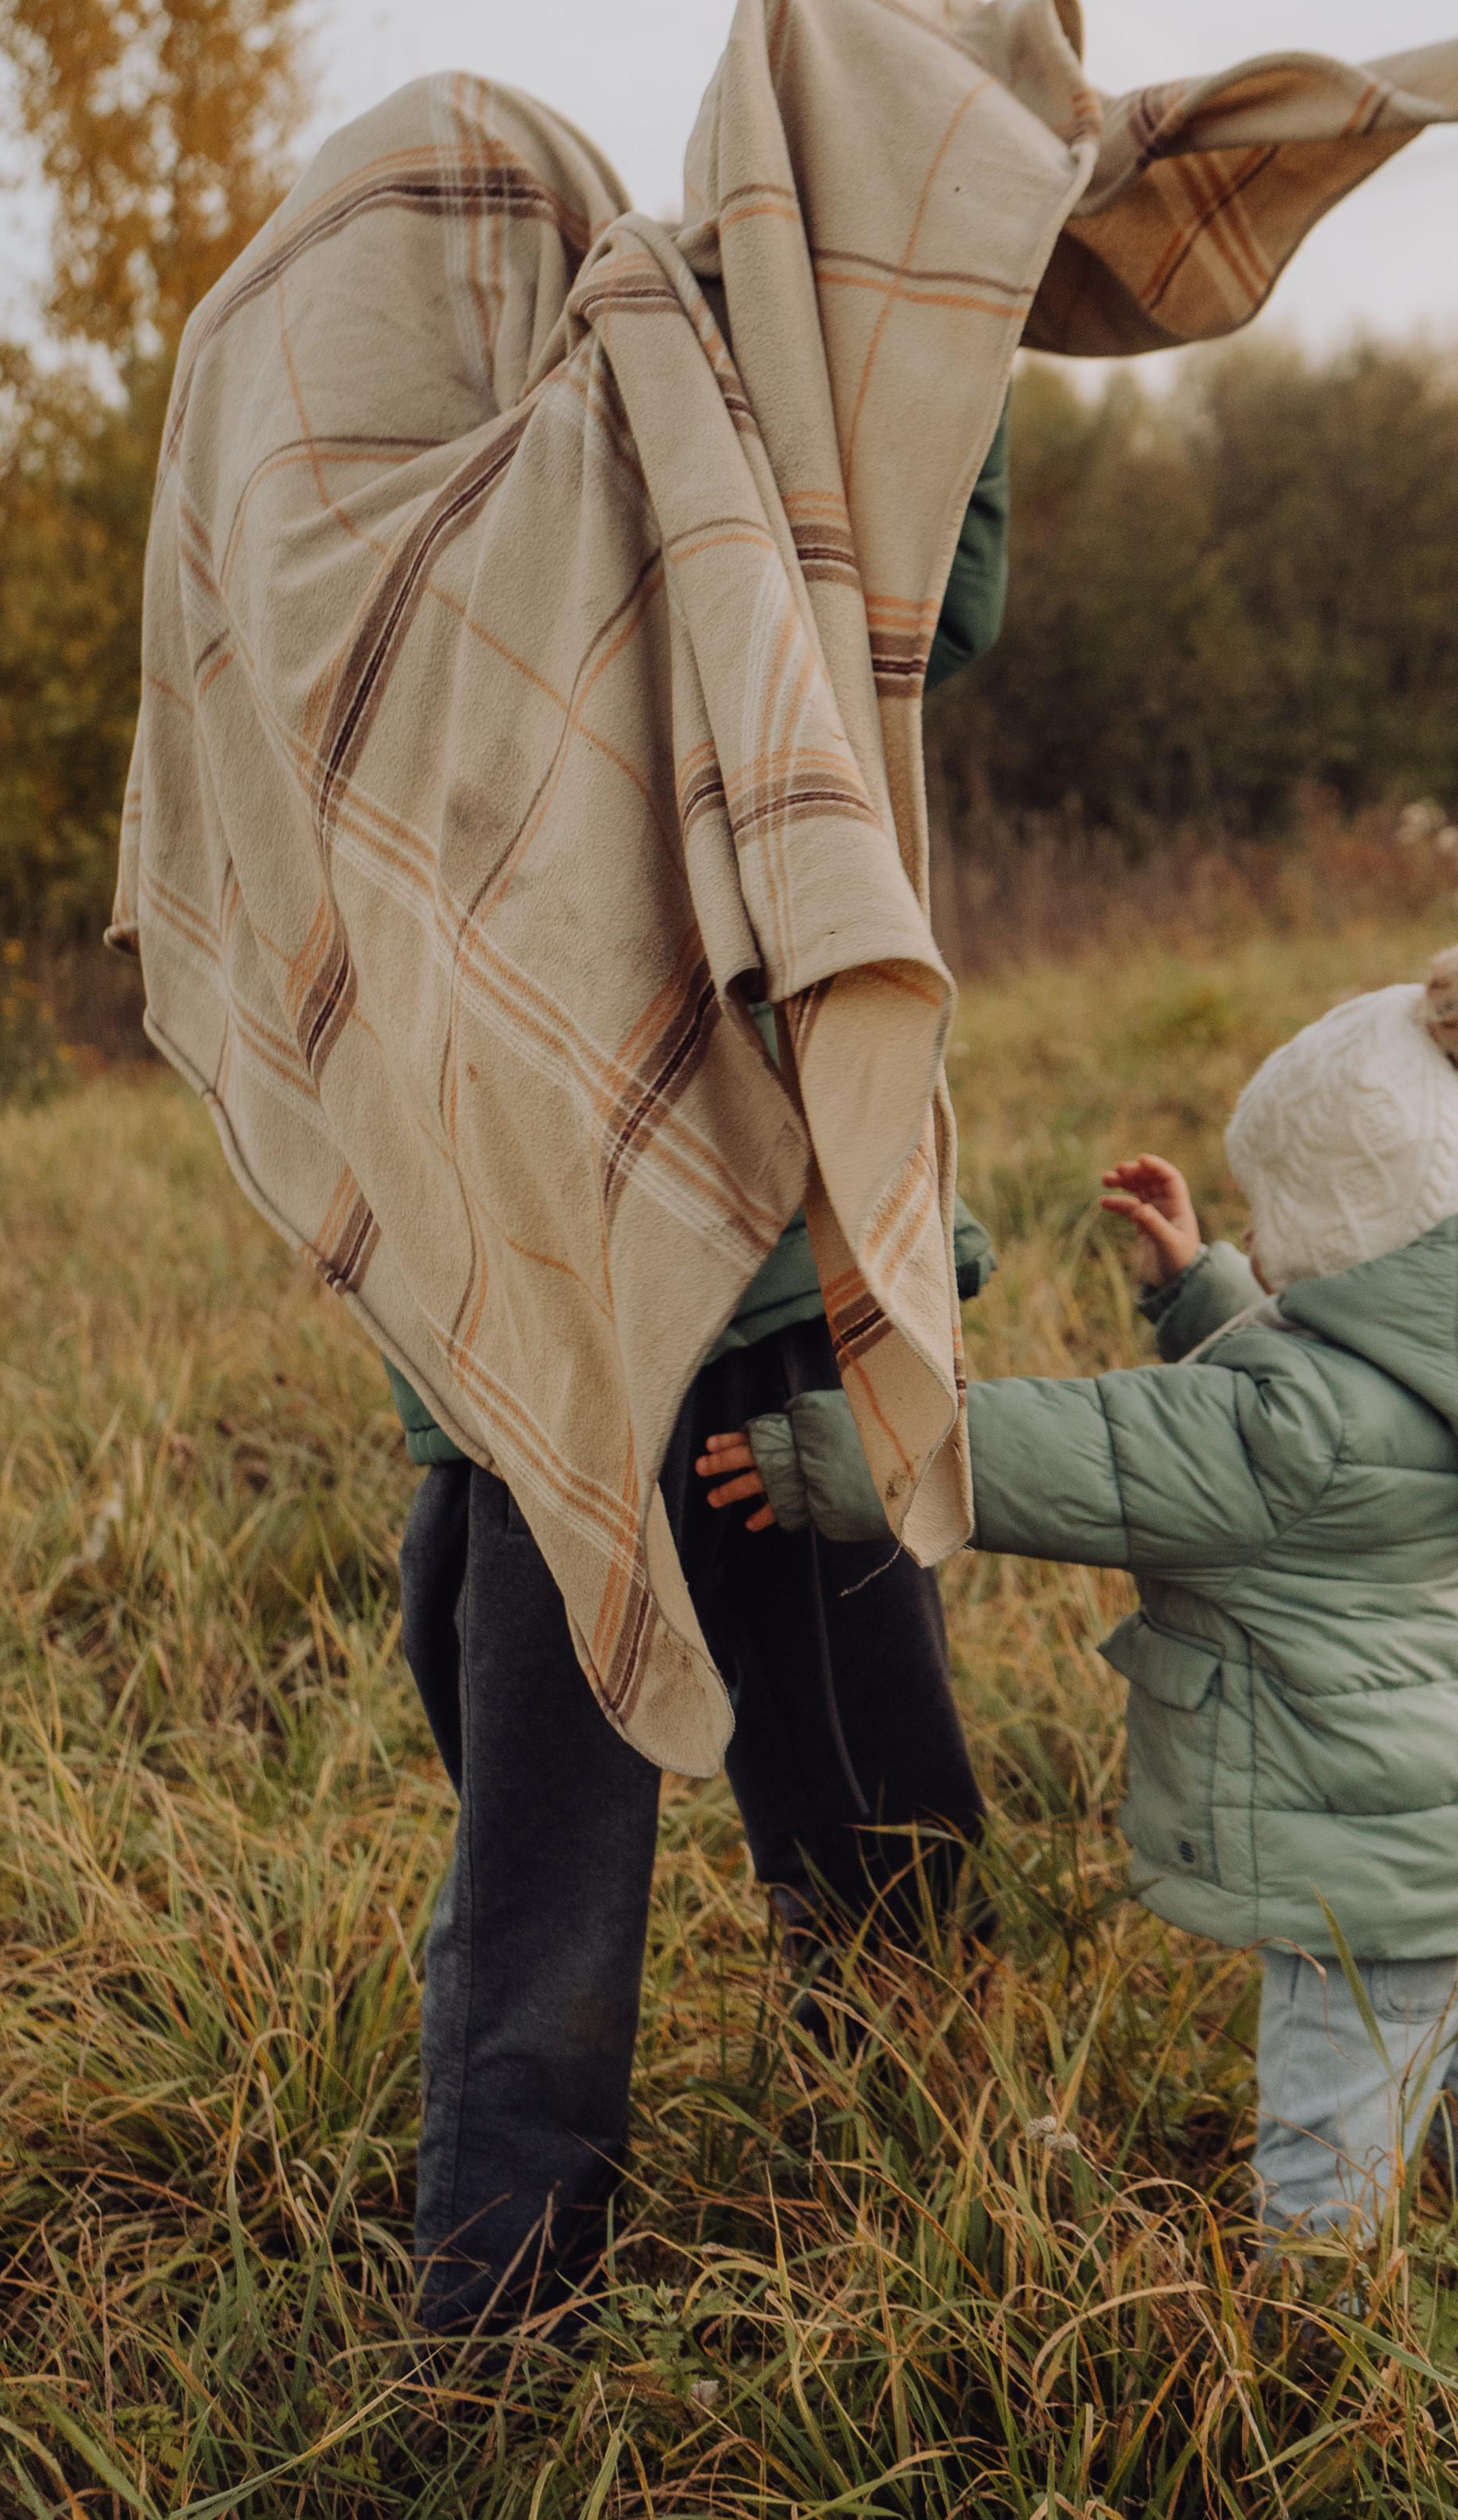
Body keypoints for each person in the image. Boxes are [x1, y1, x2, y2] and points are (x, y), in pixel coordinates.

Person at [699, 933, 1458, 2268]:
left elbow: (1077, 1454)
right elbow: (1317, 1392)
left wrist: (821, 1452)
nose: (1256, 1226)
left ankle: (1327, 2391)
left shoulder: (1288, 1435)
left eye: (1270, 1208)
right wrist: (1204, 1291)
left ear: (1345, 1220)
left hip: (1372, 1896)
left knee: (1326, 2161)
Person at [387, 403, 1012, 2332]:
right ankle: (503, 2323)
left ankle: (915, 2190)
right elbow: (934, 589)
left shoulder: (455, 561)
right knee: (585, 1857)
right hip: (622, 1347)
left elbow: (930, 594)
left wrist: (955, 367)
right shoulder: (606, 532)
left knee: (791, 1820)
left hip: (618, 1350)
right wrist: (952, 359)